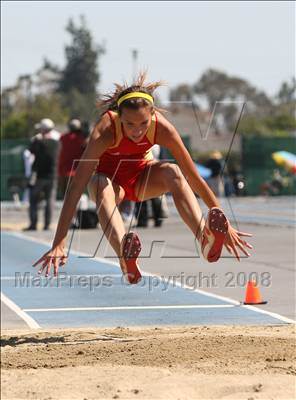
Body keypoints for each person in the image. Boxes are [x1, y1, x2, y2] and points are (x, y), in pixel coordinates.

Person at [33, 73, 252, 283]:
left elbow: (193, 177)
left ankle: (204, 238)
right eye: (130, 124)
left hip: (141, 179)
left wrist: (225, 222)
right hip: (109, 183)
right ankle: (124, 256)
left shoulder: (163, 128)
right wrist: (59, 241)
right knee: (101, 184)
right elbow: (76, 186)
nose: (137, 131)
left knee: (173, 172)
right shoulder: (105, 130)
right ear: (120, 116)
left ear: (153, 115)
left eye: (143, 123)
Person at [24, 119, 60, 231]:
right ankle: (47, 224)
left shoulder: (37, 141)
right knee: (50, 201)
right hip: (52, 175)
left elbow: (30, 151)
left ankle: (33, 224)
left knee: (33, 200)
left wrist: (37, 139)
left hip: (39, 176)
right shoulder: (56, 143)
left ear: (43, 129)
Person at [58, 118, 87, 198]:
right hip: (78, 172)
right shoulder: (82, 139)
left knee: (66, 197)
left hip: (64, 171)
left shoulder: (63, 138)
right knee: (77, 197)